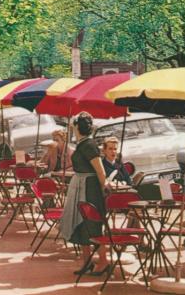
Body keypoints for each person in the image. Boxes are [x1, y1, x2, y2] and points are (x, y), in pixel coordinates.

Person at [60, 112, 110, 276]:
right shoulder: (82, 144)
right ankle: (87, 261)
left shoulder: (89, 145)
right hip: (81, 186)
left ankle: (103, 261)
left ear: (76, 127)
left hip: (89, 189)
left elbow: (100, 170)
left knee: (92, 223)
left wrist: (104, 188)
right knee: (81, 225)